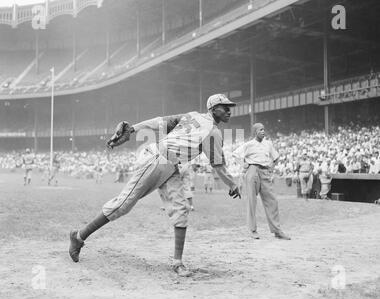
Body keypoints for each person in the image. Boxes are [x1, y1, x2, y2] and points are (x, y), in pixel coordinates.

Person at [68, 93, 241, 277]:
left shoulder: (191, 116)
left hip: (171, 165)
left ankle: (177, 262)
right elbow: (218, 165)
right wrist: (232, 184)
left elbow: (159, 122)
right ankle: (78, 237)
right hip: (157, 159)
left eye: (229, 107)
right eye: (224, 107)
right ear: (213, 109)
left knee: (181, 209)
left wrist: (133, 129)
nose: (229, 110)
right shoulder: (211, 131)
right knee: (123, 205)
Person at [233, 123, 290, 240]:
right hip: (252, 170)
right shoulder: (249, 144)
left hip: (265, 172)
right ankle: (253, 230)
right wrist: (243, 164)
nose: (263, 131)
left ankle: (277, 231)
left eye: (264, 129)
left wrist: (271, 167)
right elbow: (235, 154)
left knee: (272, 201)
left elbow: (276, 157)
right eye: (260, 130)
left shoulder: (268, 144)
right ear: (255, 132)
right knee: (252, 201)